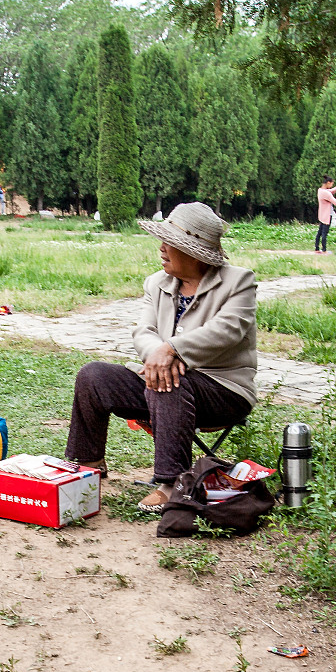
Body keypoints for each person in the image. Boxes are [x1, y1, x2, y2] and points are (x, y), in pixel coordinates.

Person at [65, 202, 257, 513]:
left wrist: (173, 350)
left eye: (170, 243)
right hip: (164, 382)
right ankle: (89, 463)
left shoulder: (238, 281)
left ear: (193, 251)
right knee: (93, 376)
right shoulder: (157, 283)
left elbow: (228, 330)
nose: (162, 249)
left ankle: (173, 484)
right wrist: (159, 352)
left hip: (224, 390)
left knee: (169, 380)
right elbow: (144, 329)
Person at [315, 175, 336, 254]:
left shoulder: (320, 190)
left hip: (322, 215)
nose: (331, 186)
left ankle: (317, 248)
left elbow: (330, 191)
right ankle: (324, 250)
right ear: (328, 183)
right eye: (331, 184)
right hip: (327, 215)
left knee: (320, 232)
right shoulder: (326, 193)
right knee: (324, 233)